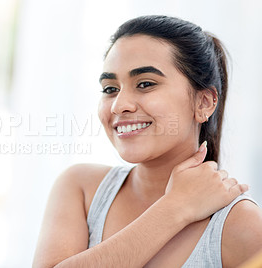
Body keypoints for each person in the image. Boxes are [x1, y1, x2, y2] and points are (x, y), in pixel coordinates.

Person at [33, 15, 262, 268]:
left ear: (204, 102)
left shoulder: (242, 226)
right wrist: (175, 208)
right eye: (110, 89)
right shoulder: (82, 189)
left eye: (145, 84)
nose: (120, 105)